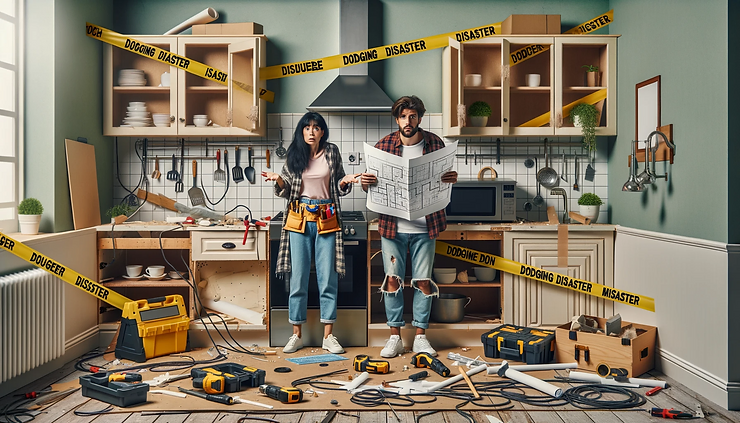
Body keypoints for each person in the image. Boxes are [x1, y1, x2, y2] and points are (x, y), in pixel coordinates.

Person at [360, 95, 457, 358]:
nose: (408, 121)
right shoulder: (384, 145)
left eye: (413, 116)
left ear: (420, 119)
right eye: (403, 116)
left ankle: (420, 337)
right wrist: (364, 182)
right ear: (397, 119)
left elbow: (447, 176)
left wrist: (452, 178)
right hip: (393, 226)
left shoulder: (435, 142)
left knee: (423, 281)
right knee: (392, 280)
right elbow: (370, 184)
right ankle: (395, 337)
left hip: (426, 226)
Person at [262, 111, 358, 354]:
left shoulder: (332, 152)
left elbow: (337, 183)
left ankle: (328, 336)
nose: (311, 131)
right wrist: (278, 179)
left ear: (322, 131)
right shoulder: (294, 153)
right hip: (299, 218)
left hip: (327, 218)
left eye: (316, 127)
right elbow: (284, 187)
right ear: (301, 131)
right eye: (307, 128)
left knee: (328, 278)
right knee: (298, 278)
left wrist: (345, 181)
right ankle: (296, 334)